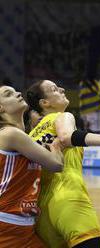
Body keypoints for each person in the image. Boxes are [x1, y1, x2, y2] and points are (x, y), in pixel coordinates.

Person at [26, 80, 100, 248]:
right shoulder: (62, 116)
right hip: (68, 197)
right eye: (54, 89)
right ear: (45, 103)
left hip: (41, 213)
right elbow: (66, 136)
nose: (61, 89)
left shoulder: (31, 136)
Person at [0, 83, 64, 247]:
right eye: (8, 94)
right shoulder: (10, 134)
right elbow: (56, 164)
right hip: (7, 226)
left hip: (23, 226)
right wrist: (57, 142)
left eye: (15, 91)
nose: (18, 93)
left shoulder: (21, 136)